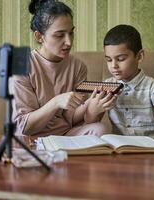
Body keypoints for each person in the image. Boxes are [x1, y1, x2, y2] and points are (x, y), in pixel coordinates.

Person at [11, 0, 117, 137]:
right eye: (60, 35)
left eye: (71, 33)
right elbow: (23, 127)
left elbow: (70, 119)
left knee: (100, 129)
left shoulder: (78, 67)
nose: (68, 42)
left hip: (65, 135)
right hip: (31, 139)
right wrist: (56, 102)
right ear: (39, 36)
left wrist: (92, 106)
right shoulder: (22, 66)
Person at [100, 24, 154, 148]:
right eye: (109, 60)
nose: (113, 65)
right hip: (121, 149)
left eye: (120, 59)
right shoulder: (106, 86)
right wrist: (95, 106)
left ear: (139, 56)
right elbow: (92, 120)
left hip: (152, 147)